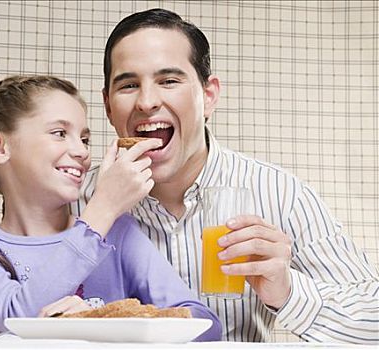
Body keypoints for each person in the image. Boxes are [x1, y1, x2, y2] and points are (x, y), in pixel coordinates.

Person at [71, 8, 379, 344]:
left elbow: (373, 320)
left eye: (169, 81)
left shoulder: (278, 194)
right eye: (129, 85)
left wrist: (289, 293)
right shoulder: (72, 200)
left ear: (208, 95)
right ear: (107, 105)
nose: (146, 102)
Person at [0, 74, 221, 340]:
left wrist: (110, 319)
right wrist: (104, 208)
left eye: (84, 139)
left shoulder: (118, 233)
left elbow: (204, 324)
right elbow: (17, 318)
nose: (82, 153)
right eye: (60, 133)